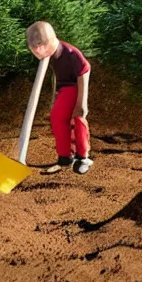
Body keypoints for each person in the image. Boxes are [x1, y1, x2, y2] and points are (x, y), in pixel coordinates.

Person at [26, 21, 93, 174]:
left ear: (45, 44)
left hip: (74, 86)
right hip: (64, 88)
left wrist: (82, 101)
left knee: (77, 119)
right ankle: (65, 156)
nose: (36, 53)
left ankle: (83, 157)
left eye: (37, 50)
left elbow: (84, 71)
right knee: (57, 117)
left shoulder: (70, 53)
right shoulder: (48, 55)